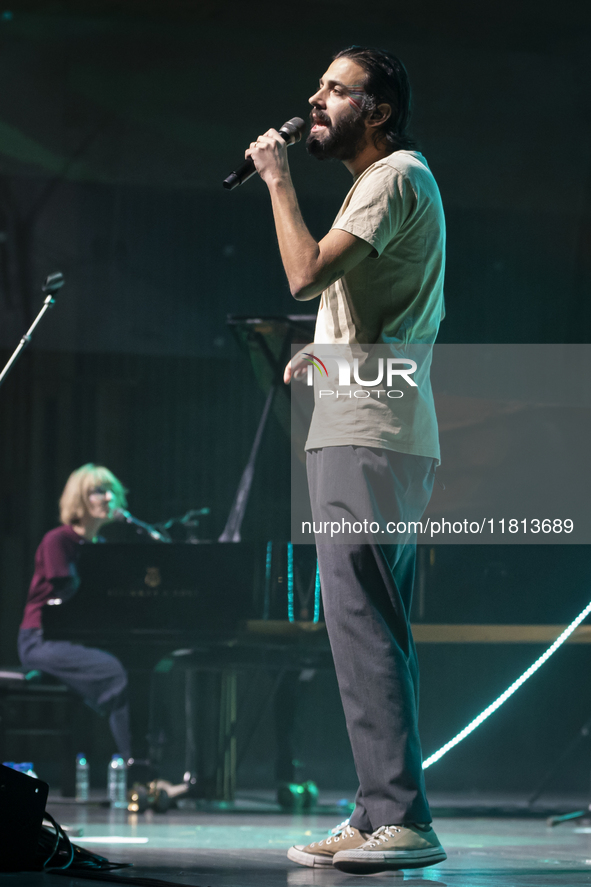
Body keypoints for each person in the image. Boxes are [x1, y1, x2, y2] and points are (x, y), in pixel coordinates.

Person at [245, 46, 446, 873]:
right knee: (370, 626)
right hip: (374, 423)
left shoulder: (393, 175)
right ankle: (375, 809)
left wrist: (277, 179)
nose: (314, 99)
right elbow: (384, 315)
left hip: (365, 434)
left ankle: (400, 814)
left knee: (361, 625)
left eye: (335, 89)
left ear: (381, 110)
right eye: (318, 87)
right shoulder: (396, 183)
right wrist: (324, 358)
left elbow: (301, 273)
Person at [18, 464, 132, 763]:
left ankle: (146, 766)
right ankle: (137, 771)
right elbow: (69, 595)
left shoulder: (101, 546)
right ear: (79, 498)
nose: (107, 497)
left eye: (111, 491)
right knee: (114, 672)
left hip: (78, 639)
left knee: (140, 671)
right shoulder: (58, 540)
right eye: (97, 491)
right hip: (41, 639)